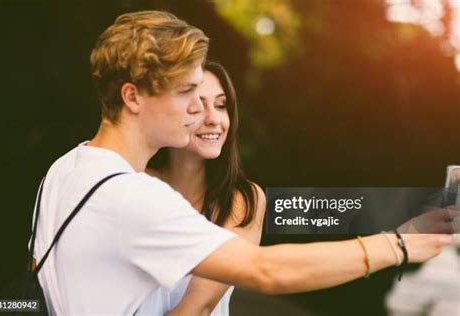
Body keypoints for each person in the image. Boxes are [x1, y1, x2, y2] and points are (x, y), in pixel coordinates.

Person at [30, 10, 454, 315]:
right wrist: (397, 246)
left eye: (212, 99)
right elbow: (267, 272)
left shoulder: (66, 168)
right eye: (185, 93)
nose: (198, 112)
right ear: (133, 97)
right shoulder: (134, 195)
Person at [139, 61, 265, 316]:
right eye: (196, 106)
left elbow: (199, 306)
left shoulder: (242, 200)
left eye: (221, 106)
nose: (213, 119)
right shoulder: (136, 181)